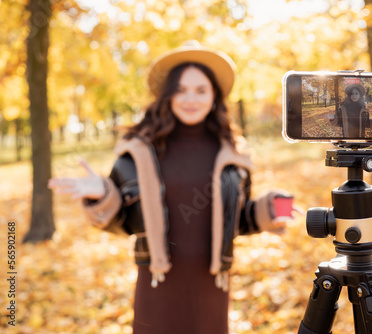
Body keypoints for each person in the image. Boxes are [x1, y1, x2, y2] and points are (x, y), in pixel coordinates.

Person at [48, 40, 294, 334]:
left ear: (214, 95)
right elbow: (123, 223)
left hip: (212, 286)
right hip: (157, 287)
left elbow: (237, 219)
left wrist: (269, 208)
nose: (191, 98)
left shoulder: (233, 154)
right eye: (180, 89)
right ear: (167, 95)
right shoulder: (139, 151)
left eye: (201, 90)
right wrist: (103, 193)